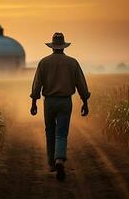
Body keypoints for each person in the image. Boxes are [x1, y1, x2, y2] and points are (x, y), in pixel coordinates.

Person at [30, 32, 90, 181]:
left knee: (50, 131)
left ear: (52, 47)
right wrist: (85, 101)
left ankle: (51, 164)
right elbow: (81, 83)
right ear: (63, 46)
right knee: (61, 133)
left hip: (49, 101)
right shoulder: (72, 62)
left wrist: (34, 102)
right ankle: (60, 159)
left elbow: (37, 83)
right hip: (65, 101)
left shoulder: (44, 62)